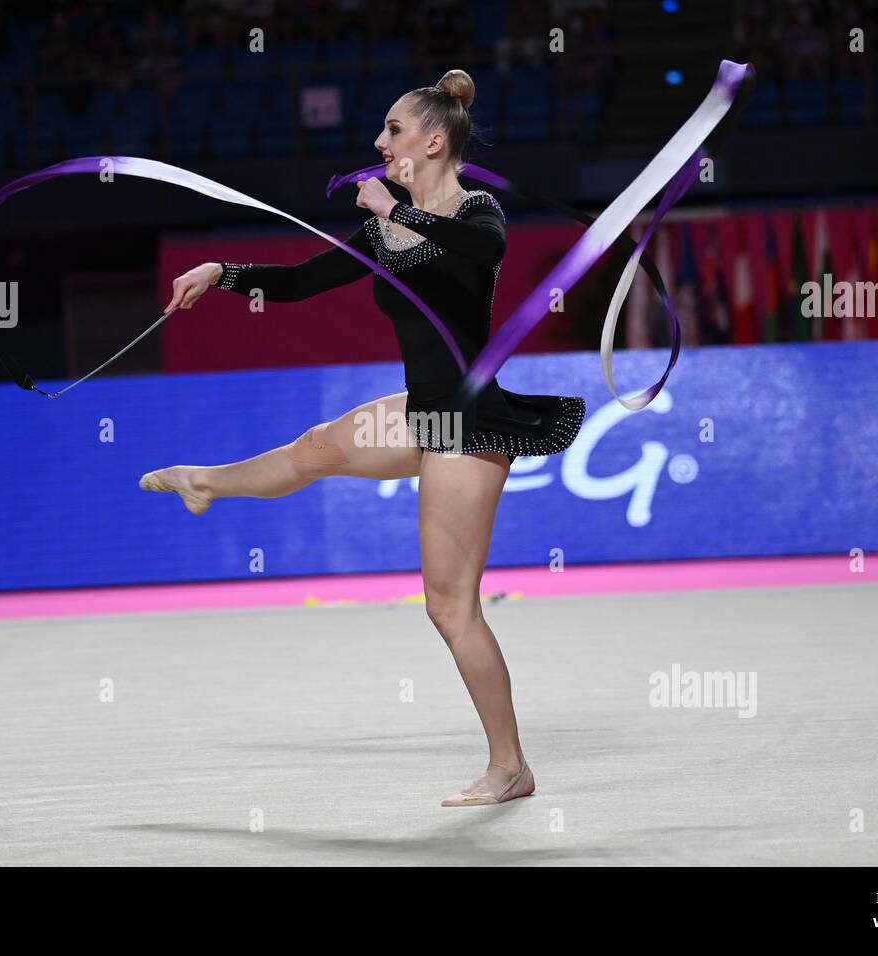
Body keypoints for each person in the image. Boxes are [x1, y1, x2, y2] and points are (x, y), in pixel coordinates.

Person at [141, 68, 585, 807]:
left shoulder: (479, 213)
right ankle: (205, 481)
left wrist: (391, 209)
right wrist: (222, 272)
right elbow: (301, 281)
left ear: (433, 141)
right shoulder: (385, 224)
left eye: (393, 131)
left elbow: (476, 259)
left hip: (466, 422)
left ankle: (510, 766)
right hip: (424, 409)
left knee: (449, 608)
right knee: (316, 448)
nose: (378, 144)